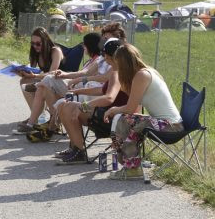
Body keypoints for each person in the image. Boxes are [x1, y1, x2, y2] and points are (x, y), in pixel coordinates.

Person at [104, 44, 184, 180]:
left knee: (125, 119)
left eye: (117, 65)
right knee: (128, 119)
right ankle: (131, 164)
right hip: (170, 124)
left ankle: (131, 167)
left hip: (171, 127)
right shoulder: (148, 71)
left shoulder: (141, 76)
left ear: (123, 65)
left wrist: (113, 109)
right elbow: (134, 107)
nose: (115, 68)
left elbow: (129, 108)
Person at [54, 39, 128, 164]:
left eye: (106, 58)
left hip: (112, 118)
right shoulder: (120, 71)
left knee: (67, 107)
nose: (105, 61)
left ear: (112, 58)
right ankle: (75, 148)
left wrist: (84, 105)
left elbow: (109, 98)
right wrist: (79, 91)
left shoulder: (117, 73)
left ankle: (79, 152)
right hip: (111, 115)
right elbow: (101, 90)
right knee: (63, 105)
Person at [24, 32, 101, 141]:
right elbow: (82, 74)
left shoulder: (98, 60)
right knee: (43, 85)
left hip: (82, 93)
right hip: (75, 88)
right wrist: (66, 76)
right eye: (33, 43)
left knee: (48, 80)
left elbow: (84, 75)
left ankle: (47, 126)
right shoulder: (91, 60)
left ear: (90, 46)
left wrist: (66, 76)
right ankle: (43, 124)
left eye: (84, 44)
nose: (83, 47)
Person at [16, 27, 64, 133]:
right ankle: (37, 116)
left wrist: (34, 76)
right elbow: (32, 70)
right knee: (24, 81)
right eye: (32, 43)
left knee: (40, 85)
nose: (35, 46)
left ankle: (36, 118)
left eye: (38, 43)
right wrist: (23, 72)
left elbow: (52, 73)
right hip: (45, 79)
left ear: (46, 41)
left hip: (59, 81)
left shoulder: (55, 51)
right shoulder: (36, 52)